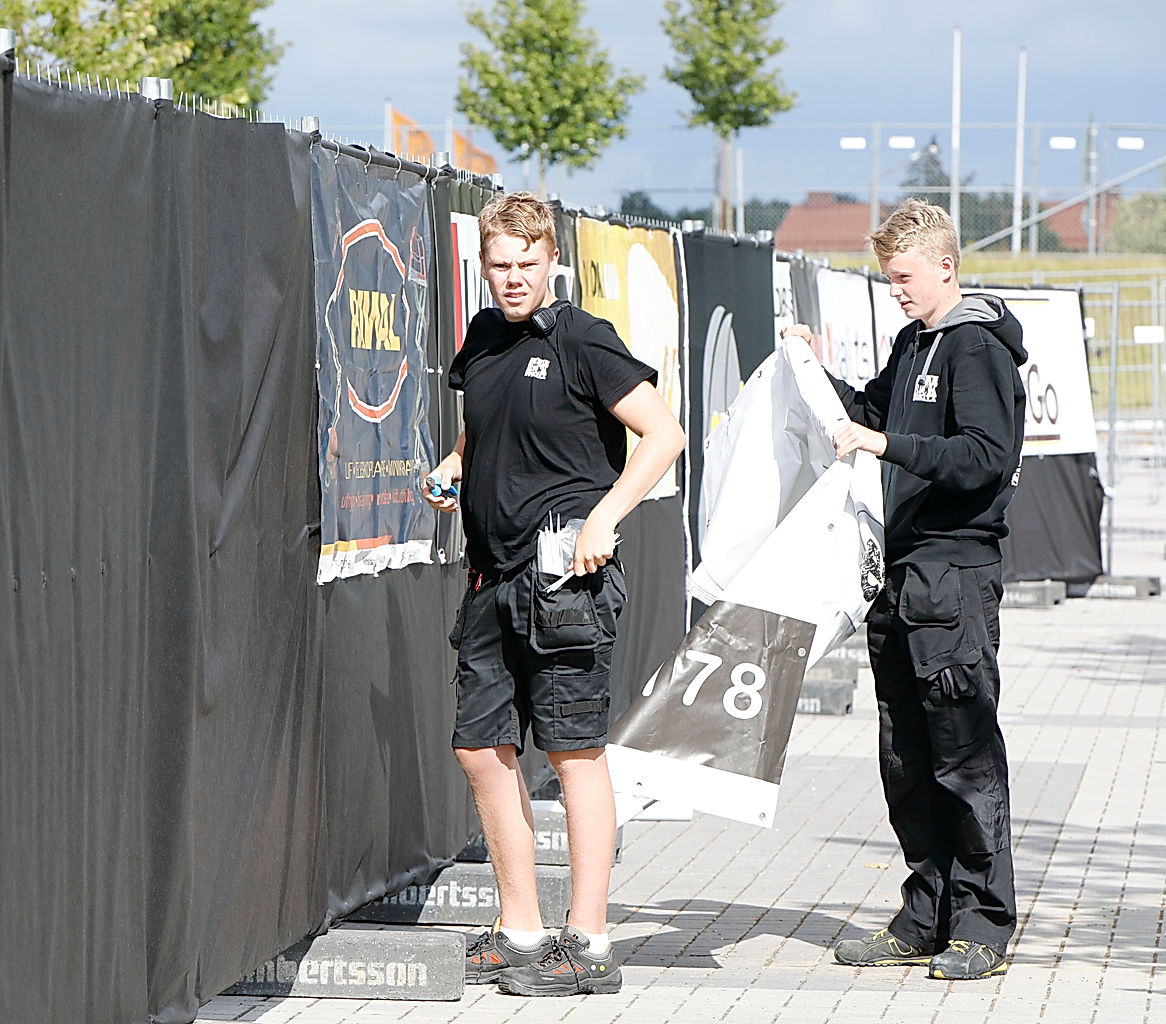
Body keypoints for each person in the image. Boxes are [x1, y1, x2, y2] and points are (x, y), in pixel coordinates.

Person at [425, 191, 685, 996]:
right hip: (490, 579)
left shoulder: (581, 339)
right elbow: (486, 422)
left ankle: (593, 944)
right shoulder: (482, 338)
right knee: (479, 747)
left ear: (551, 260)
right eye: (499, 265)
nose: (511, 278)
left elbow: (665, 434)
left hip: (567, 586)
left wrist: (605, 516)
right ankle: (522, 931)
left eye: (525, 264)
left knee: (573, 755)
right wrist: (455, 466)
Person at [783, 198, 1026, 981]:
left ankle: (982, 923)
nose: (897, 291)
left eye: (907, 278)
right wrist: (811, 370)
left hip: (955, 573)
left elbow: (984, 456)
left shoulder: (976, 348)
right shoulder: (914, 342)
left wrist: (885, 442)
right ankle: (925, 912)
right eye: (890, 279)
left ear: (947, 267)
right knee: (906, 752)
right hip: (902, 570)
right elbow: (867, 413)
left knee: (964, 751)